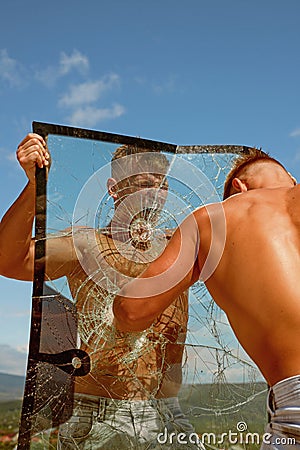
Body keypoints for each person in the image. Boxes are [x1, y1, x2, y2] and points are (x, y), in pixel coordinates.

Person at [0, 133, 203, 449]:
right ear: (114, 188)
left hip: (167, 412)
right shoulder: (87, 244)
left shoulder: (179, 247)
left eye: (162, 185)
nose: (154, 193)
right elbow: (9, 261)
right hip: (97, 413)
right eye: (143, 182)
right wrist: (34, 187)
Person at [113, 148, 300, 449]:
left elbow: (130, 311)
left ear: (239, 189)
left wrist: (189, 255)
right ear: (290, 178)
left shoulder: (215, 220)